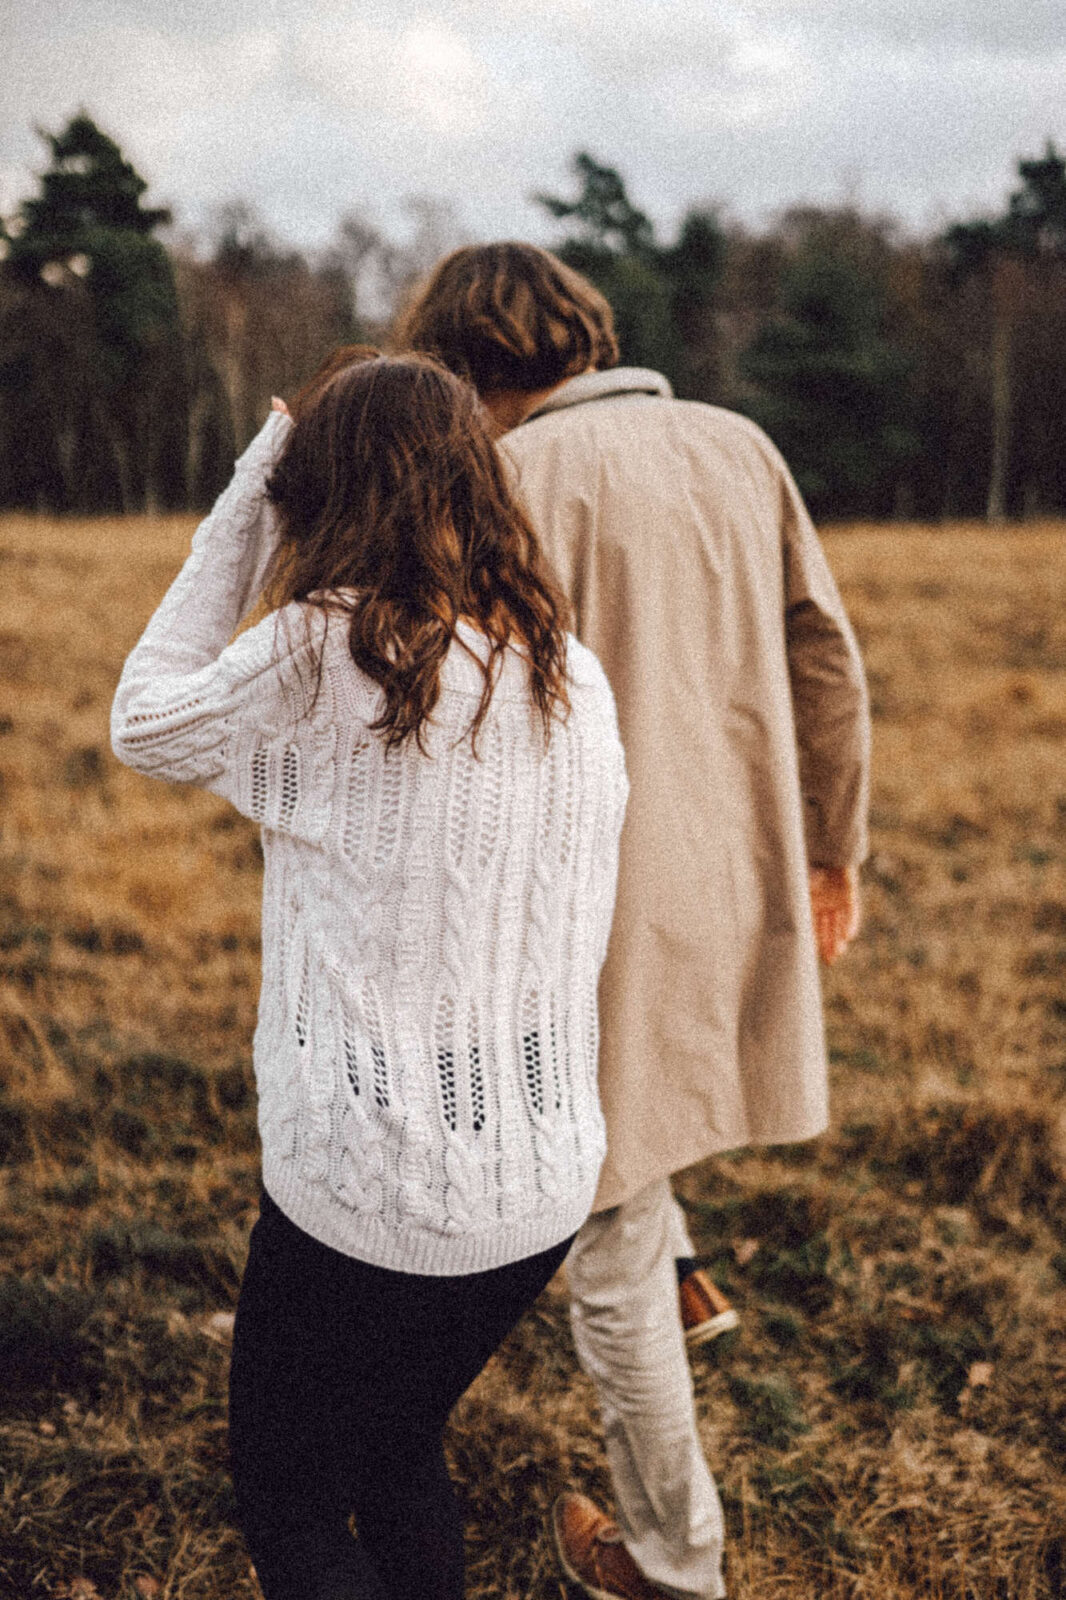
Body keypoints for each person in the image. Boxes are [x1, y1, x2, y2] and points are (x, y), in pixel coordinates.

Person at [110, 348, 629, 1600]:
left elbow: (143, 719)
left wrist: (244, 498)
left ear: (318, 492)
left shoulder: (315, 649)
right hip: (540, 1187)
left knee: (290, 1500)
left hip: (365, 1181)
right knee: (397, 1449)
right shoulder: (564, 666)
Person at [397, 243, 871, 1600]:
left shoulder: (498, 478)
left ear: (466, 365)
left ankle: (671, 1558)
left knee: (594, 1220)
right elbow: (824, 651)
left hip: (587, 908)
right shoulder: (737, 442)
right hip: (734, 880)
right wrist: (831, 848)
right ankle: (682, 1270)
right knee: (638, 1138)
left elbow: (443, 713)